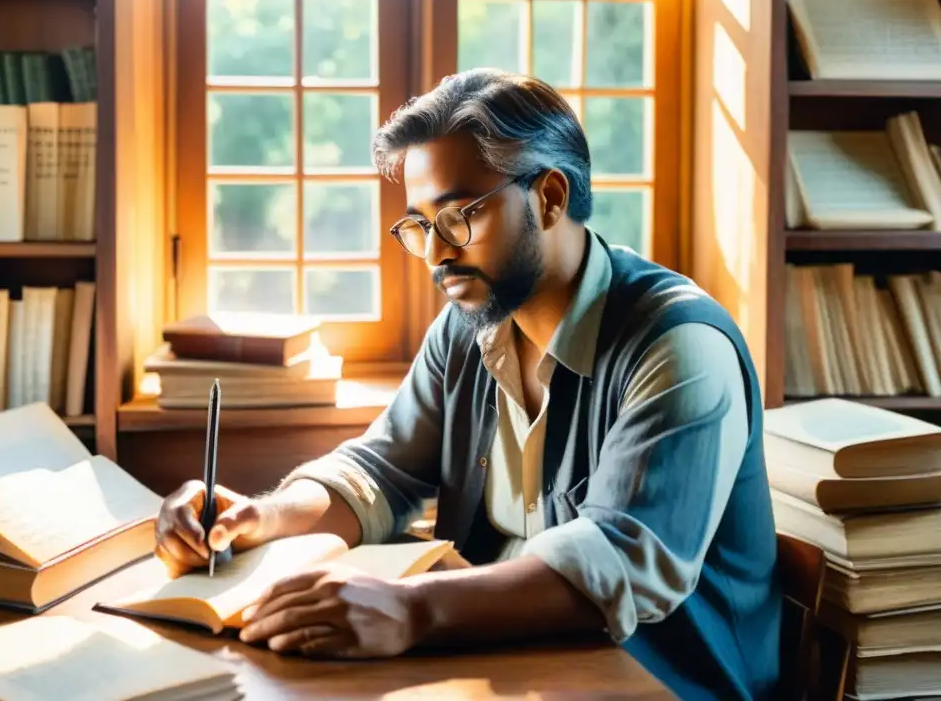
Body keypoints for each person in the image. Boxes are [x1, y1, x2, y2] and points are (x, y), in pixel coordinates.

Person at [155, 69, 782, 700]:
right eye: (420, 227)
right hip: (511, 666)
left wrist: (410, 608)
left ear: (550, 198)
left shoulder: (679, 346)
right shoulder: (468, 326)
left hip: (655, 682)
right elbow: (380, 472)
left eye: (457, 217)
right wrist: (260, 517)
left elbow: (619, 561)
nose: (435, 254)